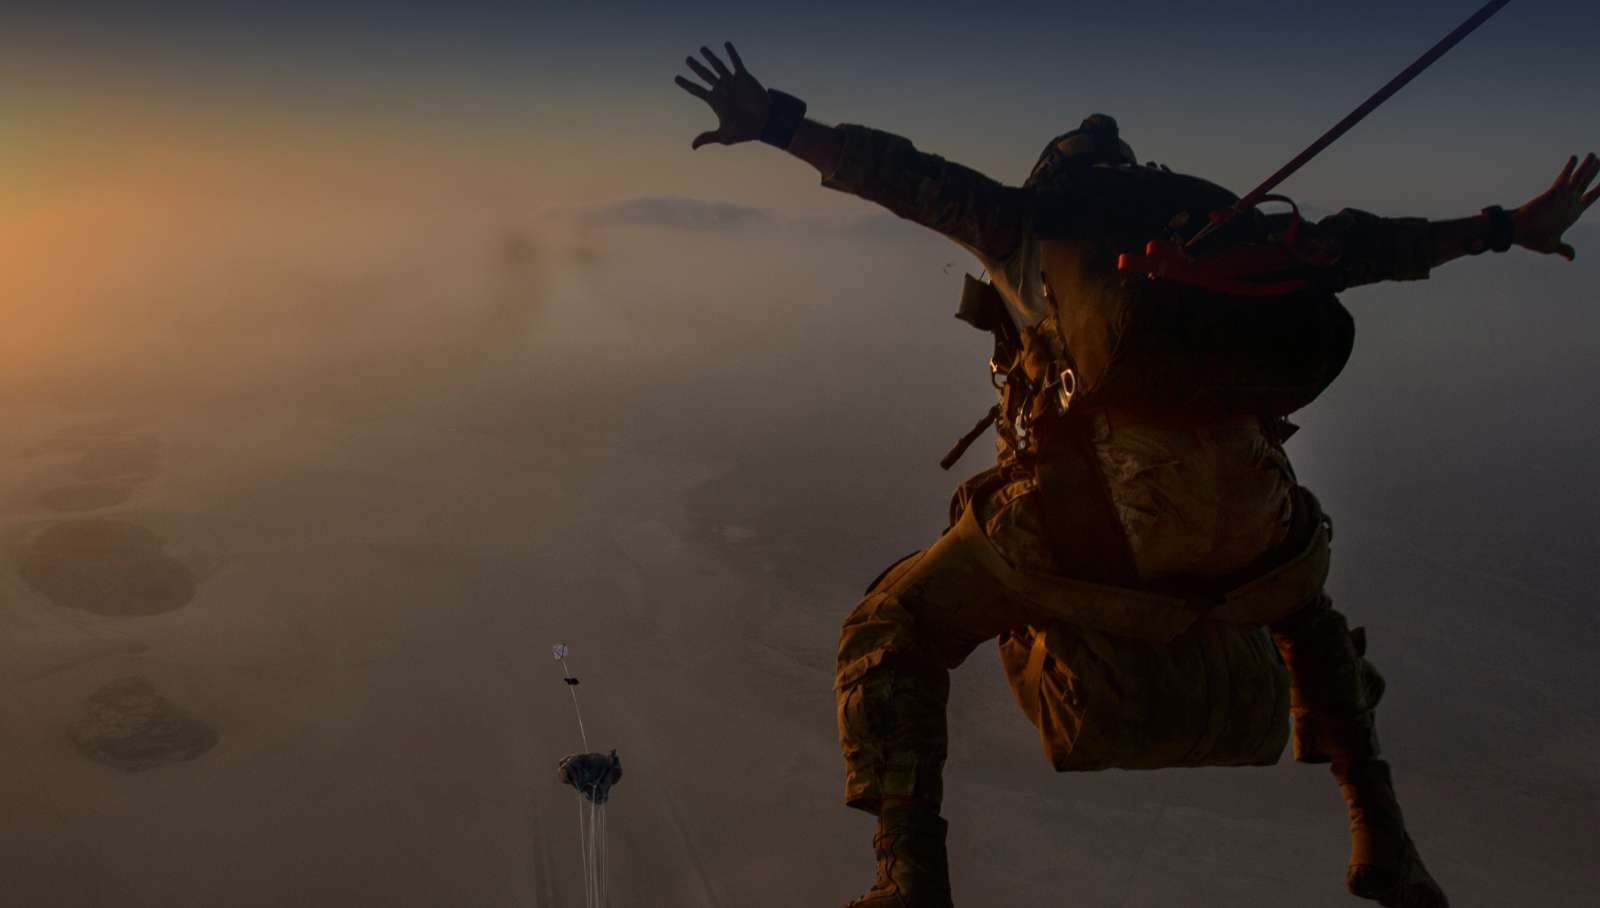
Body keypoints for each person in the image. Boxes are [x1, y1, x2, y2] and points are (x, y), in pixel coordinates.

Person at [676, 42, 1598, 908]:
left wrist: (775, 121)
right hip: (1258, 523)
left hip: (1096, 519)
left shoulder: (1029, 223)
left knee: (892, 624)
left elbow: (903, 175)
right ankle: (1382, 834)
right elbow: (1368, 247)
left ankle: (909, 875)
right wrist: (1506, 227)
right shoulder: (1220, 230)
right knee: (1309, 619)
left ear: (1054, 174)